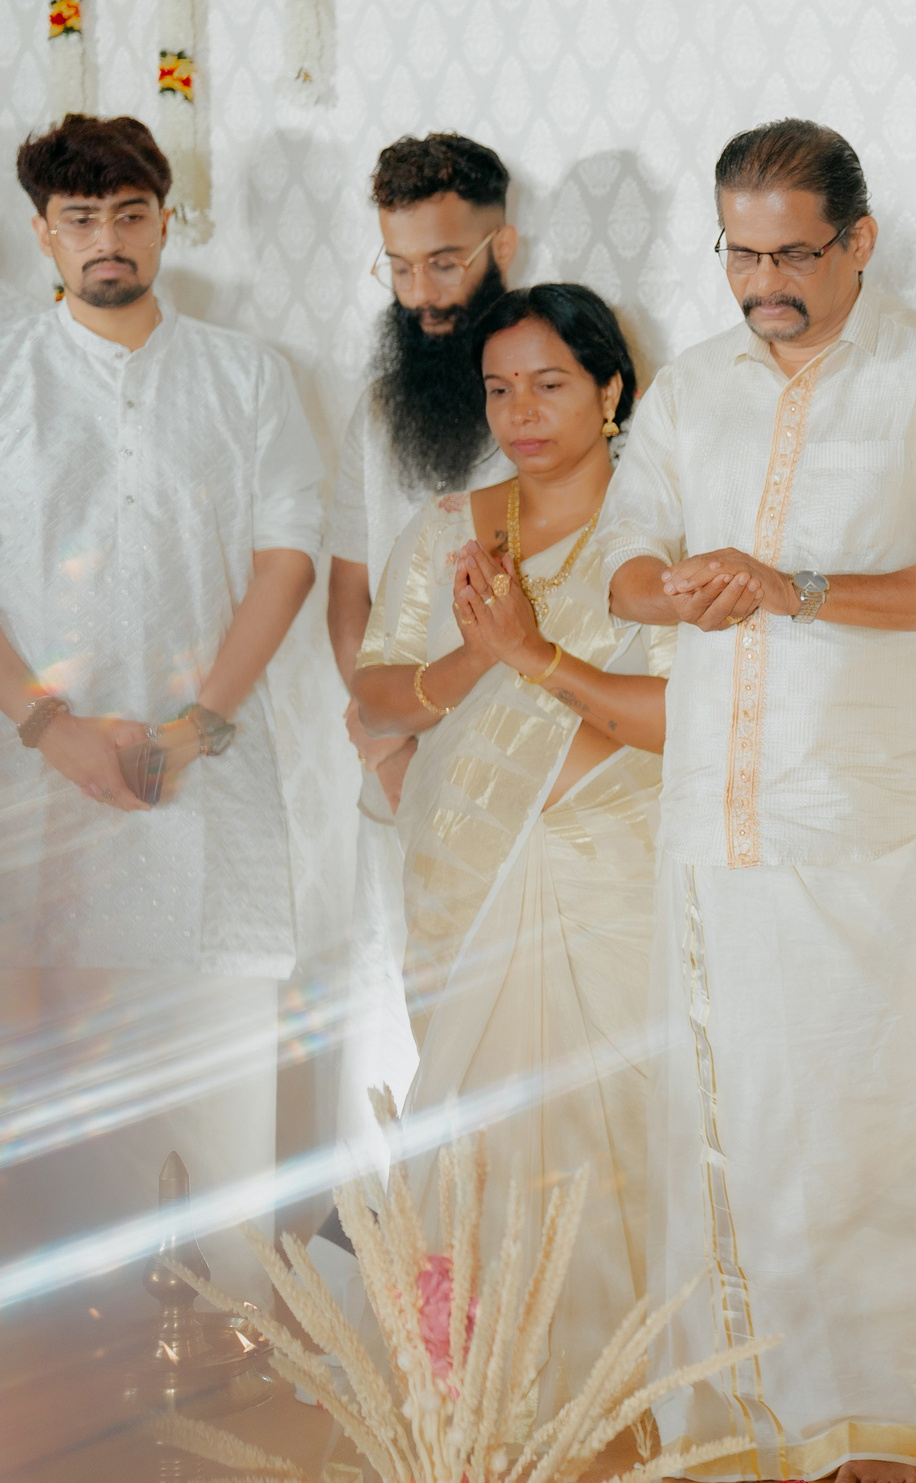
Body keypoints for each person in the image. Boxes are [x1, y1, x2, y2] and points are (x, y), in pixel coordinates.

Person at [604, 119, 916, 1483]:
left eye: (791, 251)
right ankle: (734, 1422)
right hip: (710, 827)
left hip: (867, 830)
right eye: (738, 250)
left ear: (861, 241)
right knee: (722, 1130)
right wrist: (684, 586)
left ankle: (878, 1434)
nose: (761, 279)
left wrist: (798, 588)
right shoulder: (693, 389)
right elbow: (623, 563)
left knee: (867, 1135)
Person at [0, 114, 322, 1304]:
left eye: (131, 214)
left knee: (225, 1100)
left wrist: (198, 724)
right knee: (57, 1112)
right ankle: (81, 1371)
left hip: (210, 784)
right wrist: (51, 730)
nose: (108, 240)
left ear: (166, 223)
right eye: (81, 220)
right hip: (39, 790)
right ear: (44, 234)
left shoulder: (245, 374)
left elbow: (286, 561)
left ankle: (234, 1364)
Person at [351, 283, 665, 1406]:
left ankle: (608, 1407)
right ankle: (477, 1405)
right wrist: (483, 654)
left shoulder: (655, 532)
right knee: (469, 1141)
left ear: (611, 390)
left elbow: (692, 708)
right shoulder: (447, 528)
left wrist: (529, 649)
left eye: (549, 384)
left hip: (596, 878)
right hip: (448, 873)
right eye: (498, 389)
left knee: (594, 1144)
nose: (520, 412)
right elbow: (379, 694)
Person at [326, 132, 523, 1161]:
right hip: (397, 773)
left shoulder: (557, 383)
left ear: (504, 244)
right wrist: (386, 746)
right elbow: (348, 588)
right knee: (408, 1051)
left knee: (514, 1068)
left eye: (445, 262)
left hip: (520, 784)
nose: (424, 295)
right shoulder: (379, 401)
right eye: (400, 268)